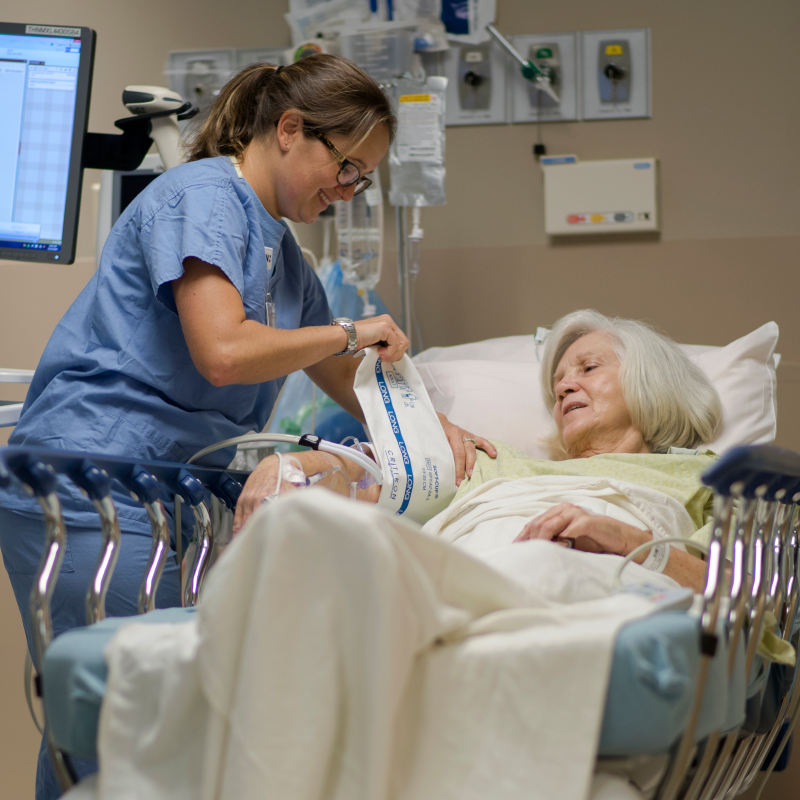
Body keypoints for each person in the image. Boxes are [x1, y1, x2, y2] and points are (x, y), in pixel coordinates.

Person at [0, 55, 486, 799]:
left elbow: (353, 382)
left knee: (133, 730)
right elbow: (224, 352)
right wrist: (350, 331)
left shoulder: (284, 258)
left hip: (163, 499)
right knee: (116, 728)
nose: (348, 189)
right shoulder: (202, 197)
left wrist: (437, 433)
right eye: (346, 165)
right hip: (91, 488)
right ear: (290, 129)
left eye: (363, 177)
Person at [240, 310, 722, 592]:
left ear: (650, 382)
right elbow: (369, 473)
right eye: (557, 386)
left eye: (588, 368)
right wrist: (294, 464)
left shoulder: (706, 478)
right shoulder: (491, 460)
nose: (565, 386)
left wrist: (622, 539)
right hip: (453, 583)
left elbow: (740, 598)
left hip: (585, 587)